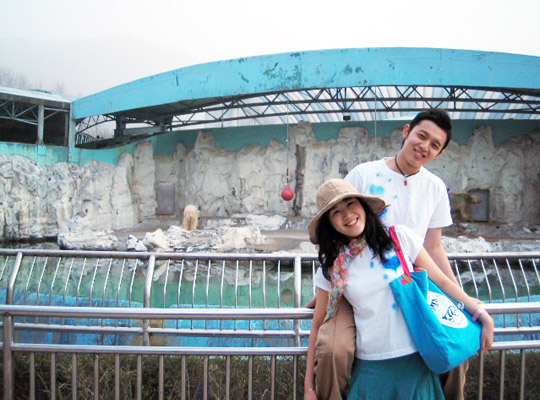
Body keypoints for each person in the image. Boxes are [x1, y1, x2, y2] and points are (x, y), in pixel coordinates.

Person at [309, 108, 469, 400]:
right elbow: (337, 222)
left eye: (434, 144)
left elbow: (434, 247)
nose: (424, 146)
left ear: (440, 153)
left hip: (409, 279)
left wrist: (459, 298)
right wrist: (328, 289)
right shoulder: (364, 173)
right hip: (356, 283)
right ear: (406, 131)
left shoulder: (435, 187)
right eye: (421, 136)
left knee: (454, 343)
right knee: (334, 349)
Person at [303, 179, 494, 400]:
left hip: (415, 362)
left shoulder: (399, 237)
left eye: (351, 203)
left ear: (363, 206)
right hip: (370, 367)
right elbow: (317, 327)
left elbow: (441, 281)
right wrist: (309, 388)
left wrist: (481, 315)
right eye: (336, 212)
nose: (347, 214)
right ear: (330, 223)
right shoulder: (333, 267)